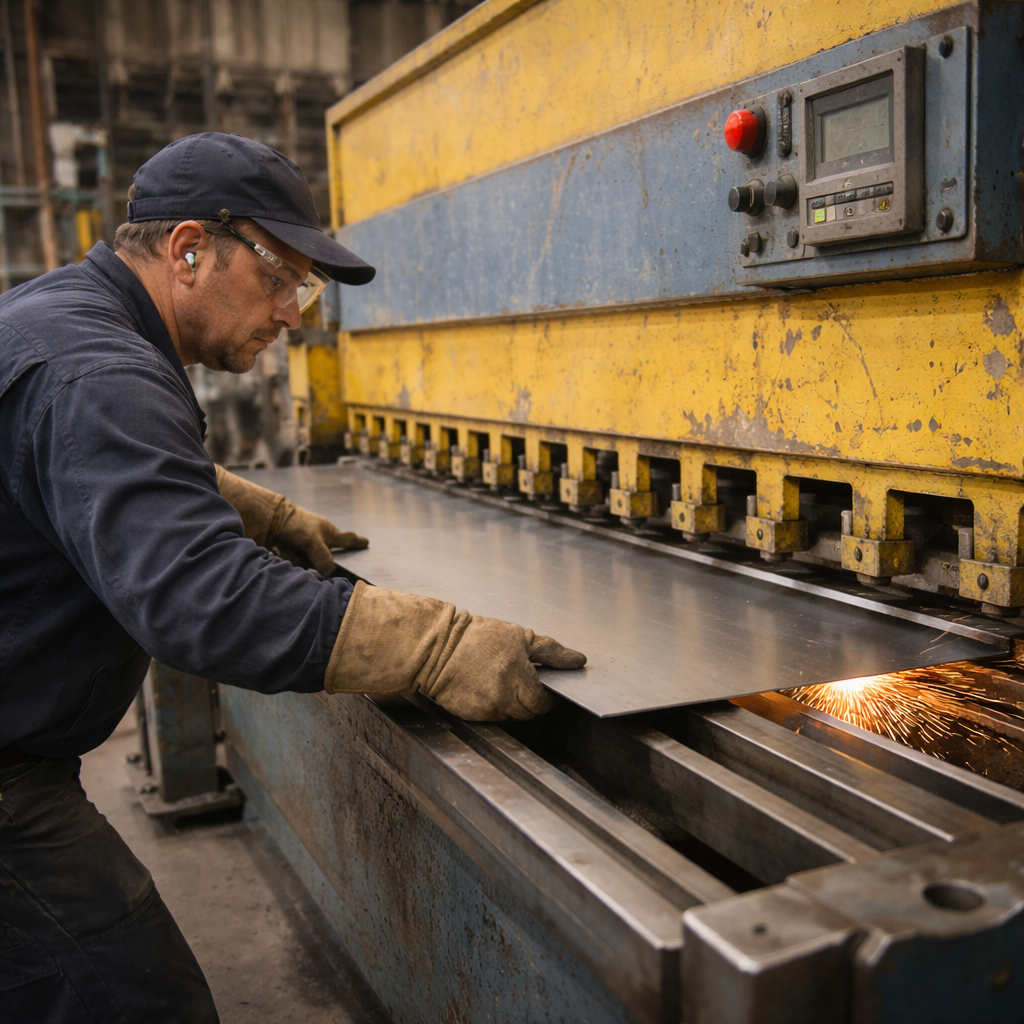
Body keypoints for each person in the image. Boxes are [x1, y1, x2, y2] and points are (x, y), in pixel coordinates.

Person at [0, 133, 585, 1022]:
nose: (292, 316)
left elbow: (78, 464)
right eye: (280, 280)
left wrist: (257, 513)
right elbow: (202, 601)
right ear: (190, 248)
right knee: (135, 1001)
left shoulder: (64, 316)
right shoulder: (100, 371)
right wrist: (436, 645)